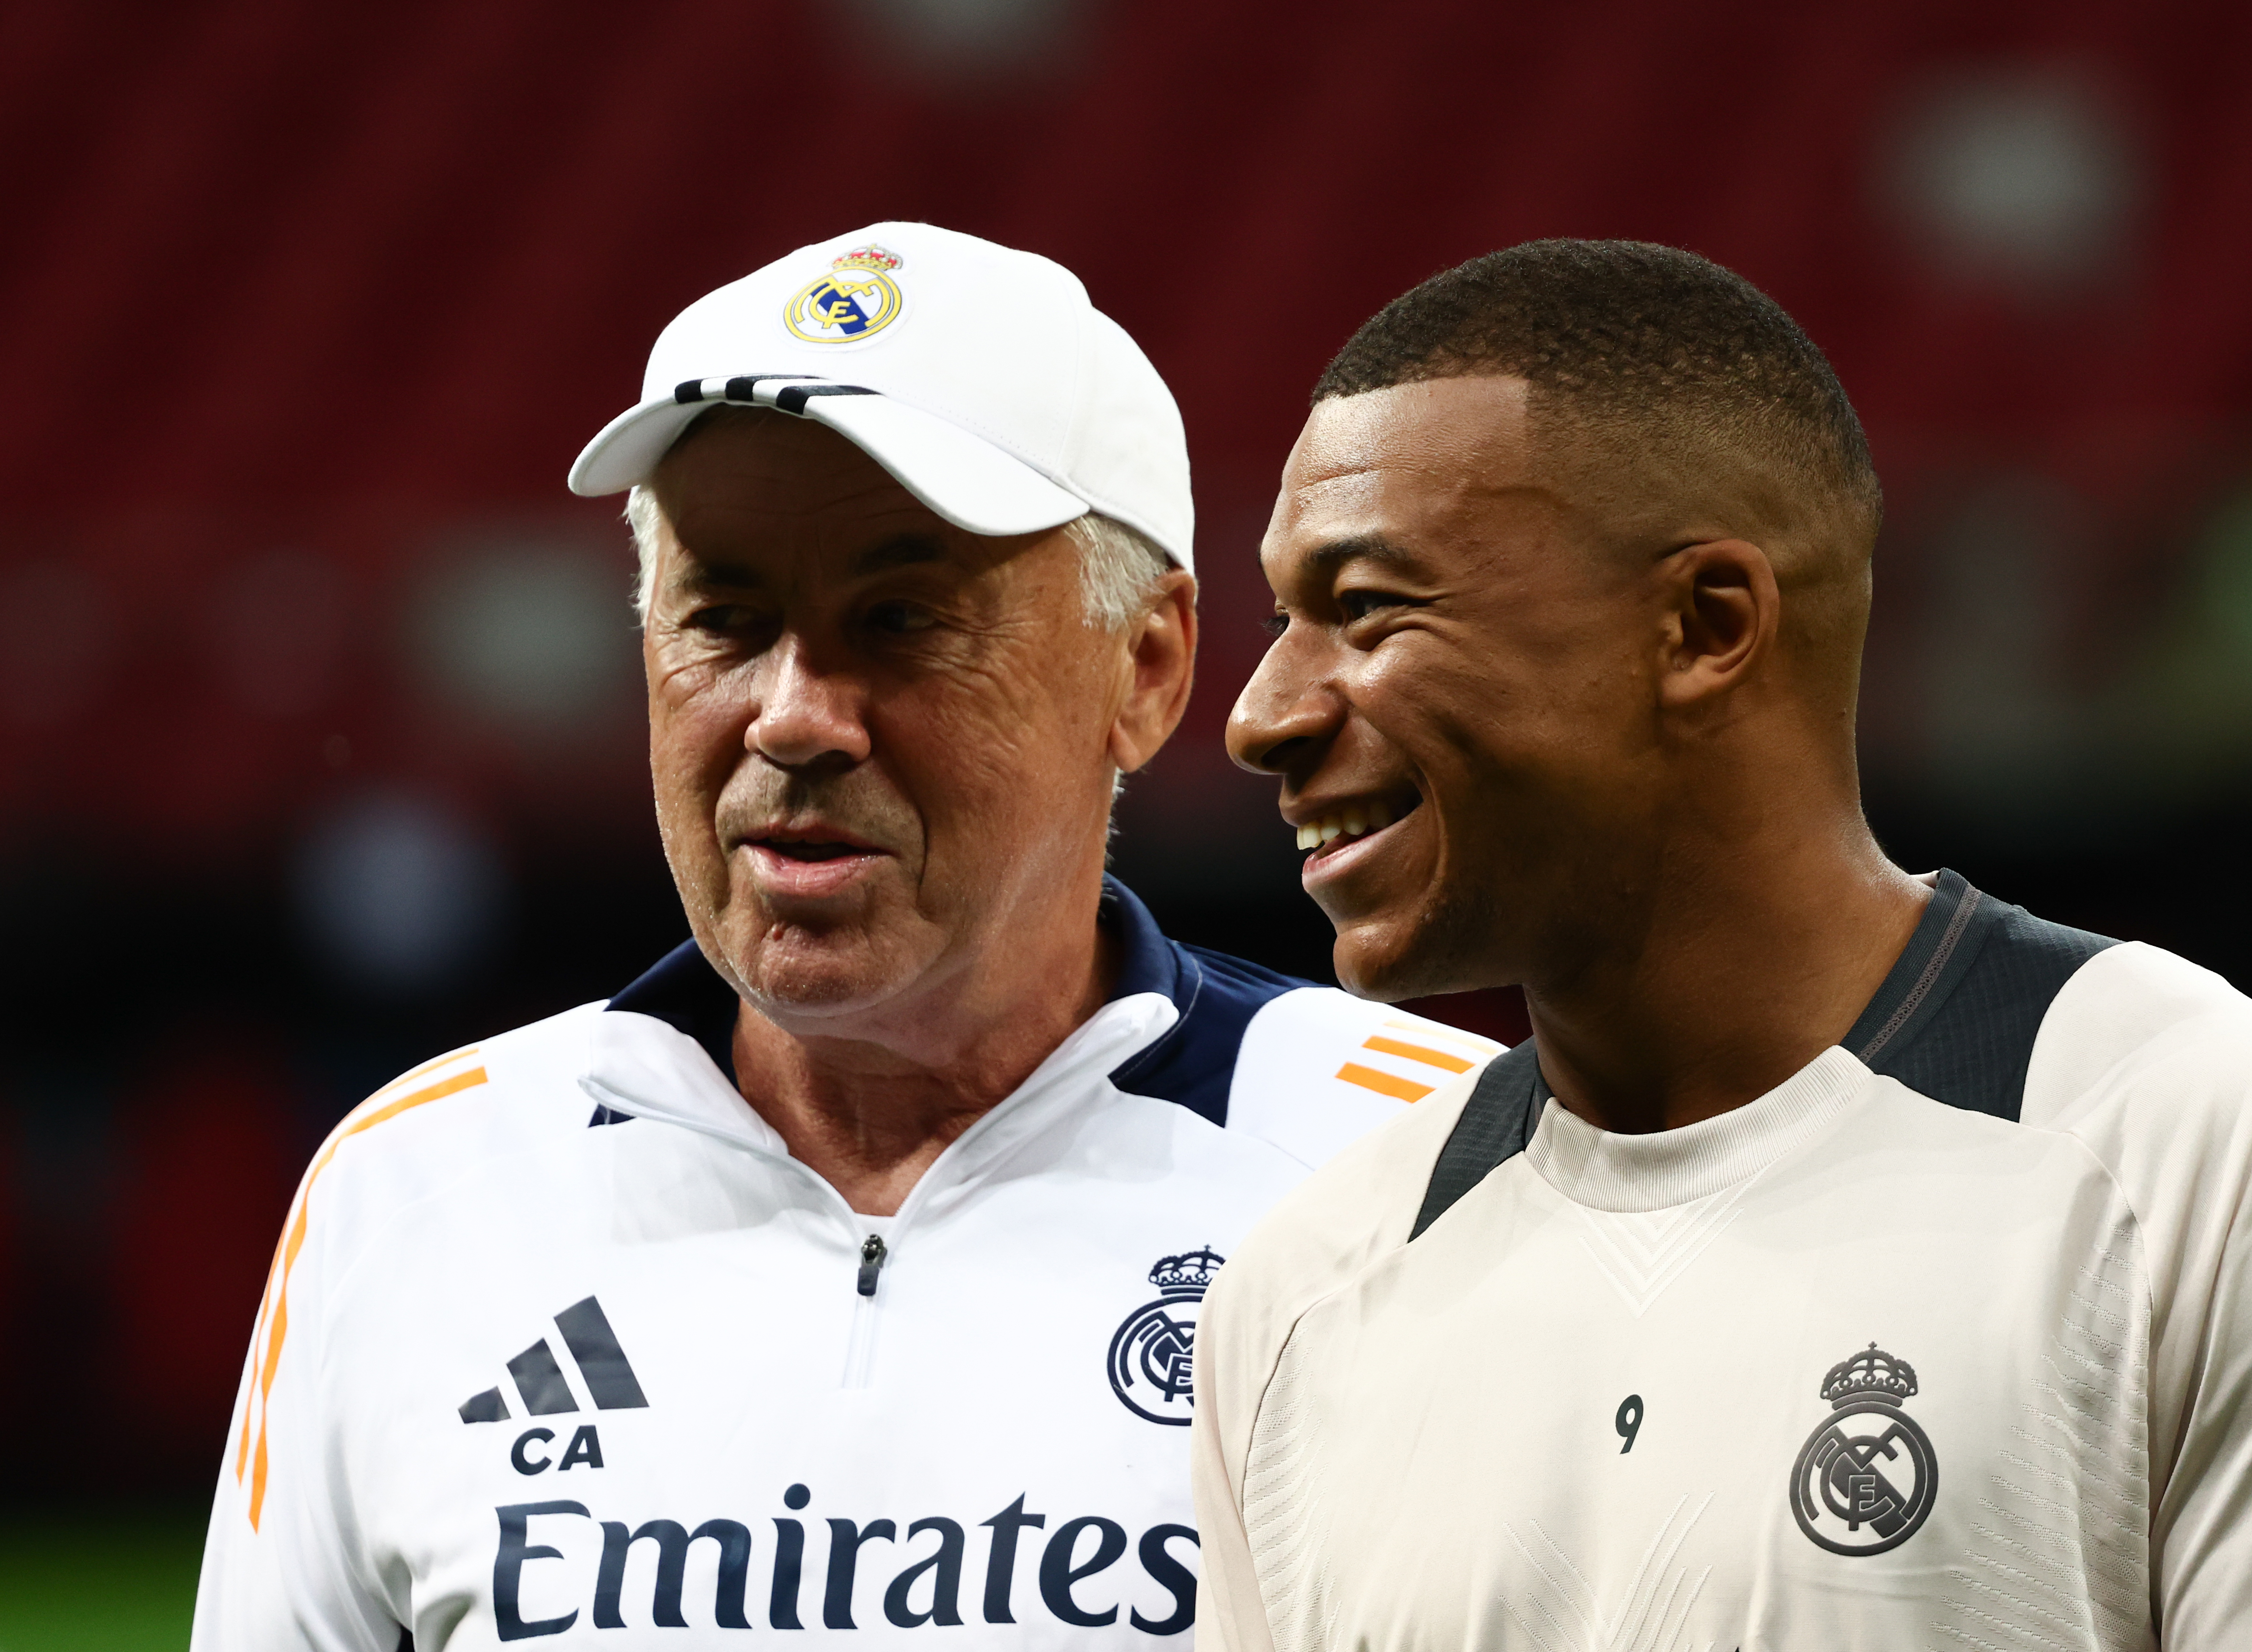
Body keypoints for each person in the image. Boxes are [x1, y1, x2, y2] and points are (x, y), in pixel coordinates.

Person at [193, 223, 1494, 1650]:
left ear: (1148, 665)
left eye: (899, 617)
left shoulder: (1436, 1178)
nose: (793, 714)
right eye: (726, 616)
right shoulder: (416, 1194)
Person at [1194, 240, 2252, 1651]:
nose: (1262, 712)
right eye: (1281, 619)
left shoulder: (2202, 1155)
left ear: (1705, 626)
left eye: (1365, 606)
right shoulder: (1306, 1289)